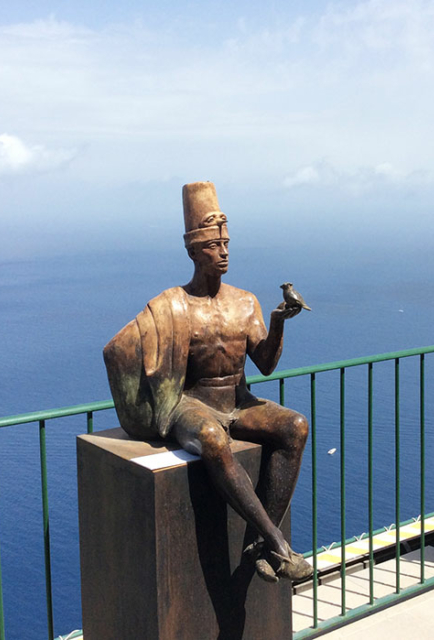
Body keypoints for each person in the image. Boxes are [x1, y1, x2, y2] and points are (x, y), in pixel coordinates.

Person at [104, 181, 313, 582]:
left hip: (237, 400)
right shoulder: (172, 305)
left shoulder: (245, 302)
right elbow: (119, 350)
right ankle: (279, 546)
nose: (224, 252)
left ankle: (258, 544)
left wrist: (277, 324)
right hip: (191, 404)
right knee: (215, 441)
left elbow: (265, 365)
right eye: (214, 247)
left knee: (295, 427)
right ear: (193, 251)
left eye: (227, 244)